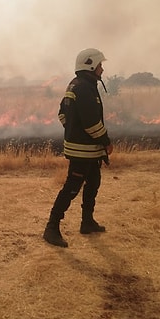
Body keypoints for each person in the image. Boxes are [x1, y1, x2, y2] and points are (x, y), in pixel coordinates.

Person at [43, 48, 113, 248]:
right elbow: (91, 124)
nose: (102, 69)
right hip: (83, 151)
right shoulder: (84, 88)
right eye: (100, 65)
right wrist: (106, 141)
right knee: (71, 188)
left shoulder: (77, 85)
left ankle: (87, 222)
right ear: (90, 65)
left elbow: (62, 115)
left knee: (93, 183)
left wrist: (72, 130)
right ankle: (51, 228)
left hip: (87, 150)